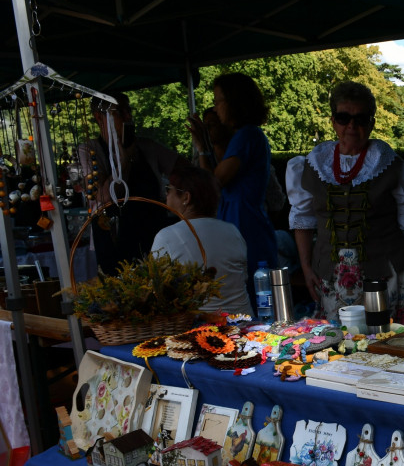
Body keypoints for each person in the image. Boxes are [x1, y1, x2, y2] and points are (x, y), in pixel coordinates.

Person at [286, 81, 404, 323]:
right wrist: (306, 268)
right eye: (343, 117)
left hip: (387, 272)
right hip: (331, 275)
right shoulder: (312, 164)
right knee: (341, 344)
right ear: (333, 121)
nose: (351, 125)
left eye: (361, 118)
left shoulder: (389, 164)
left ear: (372, 123)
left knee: (385, 340)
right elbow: (302, 219)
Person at [77, 92, 182, 273]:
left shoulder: (146, 147)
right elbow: (103, 197)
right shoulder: (89, 150)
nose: (128, 116)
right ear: (99, 117)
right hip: (113, 239)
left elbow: (184, 169)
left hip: (153, 235)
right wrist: (123, 159)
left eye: (128, 110)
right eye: (120, 111)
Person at [196, 73, 278, 287]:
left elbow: (213, 183)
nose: (215, 108)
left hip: (245, 225)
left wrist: (202, 148)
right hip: (242, 222)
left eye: (217, 101)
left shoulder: (247, 136)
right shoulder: (246, 136)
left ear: (234, 102)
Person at [151, 164, 253, 317]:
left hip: (199, 330)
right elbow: (243, 277)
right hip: (245, 323)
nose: (166, 195)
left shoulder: (166, 236)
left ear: (186, 197)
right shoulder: (232, 231)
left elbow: (154, 291)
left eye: (168, 189)